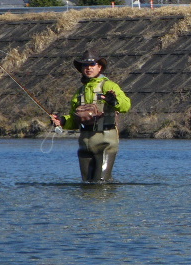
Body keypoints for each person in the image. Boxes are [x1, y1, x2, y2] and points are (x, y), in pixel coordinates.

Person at [51, 50, 131, 182]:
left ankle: (108, 200)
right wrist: (63, 121)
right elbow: (74, 119)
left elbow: (126, 106)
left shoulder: (109, 86)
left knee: (101, 182)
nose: (88, 68)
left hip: (106, 142)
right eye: (85, 65)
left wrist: (114, 101)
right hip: (85, 144)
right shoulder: (79, 92)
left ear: (99, 67)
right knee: (87, 184)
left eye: (92, 64)